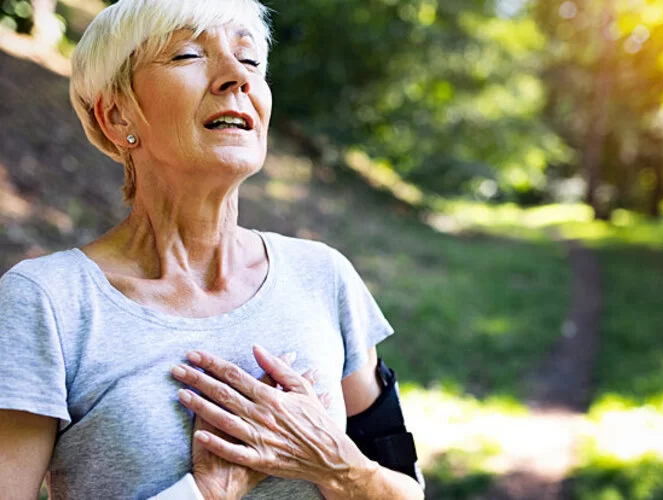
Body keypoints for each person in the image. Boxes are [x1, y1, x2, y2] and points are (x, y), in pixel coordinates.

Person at [0, 0, 423, 498]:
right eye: (186, 55)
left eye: (249, 61)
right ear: (116, 116)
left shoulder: (324, 276)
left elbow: (408, 489)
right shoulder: (46, 303)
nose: (235, 78)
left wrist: (340, 468)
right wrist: (205, 493)